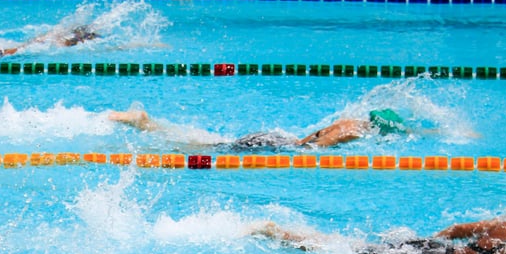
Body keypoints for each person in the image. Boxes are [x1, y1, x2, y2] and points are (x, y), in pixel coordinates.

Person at [252, 217, 506, 254]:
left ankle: (285, 233)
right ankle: (281, 234)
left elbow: (455, 229)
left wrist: (427, 241)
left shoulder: (505, 224)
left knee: (357, 249)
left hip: (433, 248)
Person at [107, 107, 408, 149]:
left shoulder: (349, 120)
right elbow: (312, 149)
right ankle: (145, 125)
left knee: (214, 143)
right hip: (280, 145)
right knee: (206, 149)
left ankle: (149, 125)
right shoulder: (352, 131)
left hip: (278, 137)